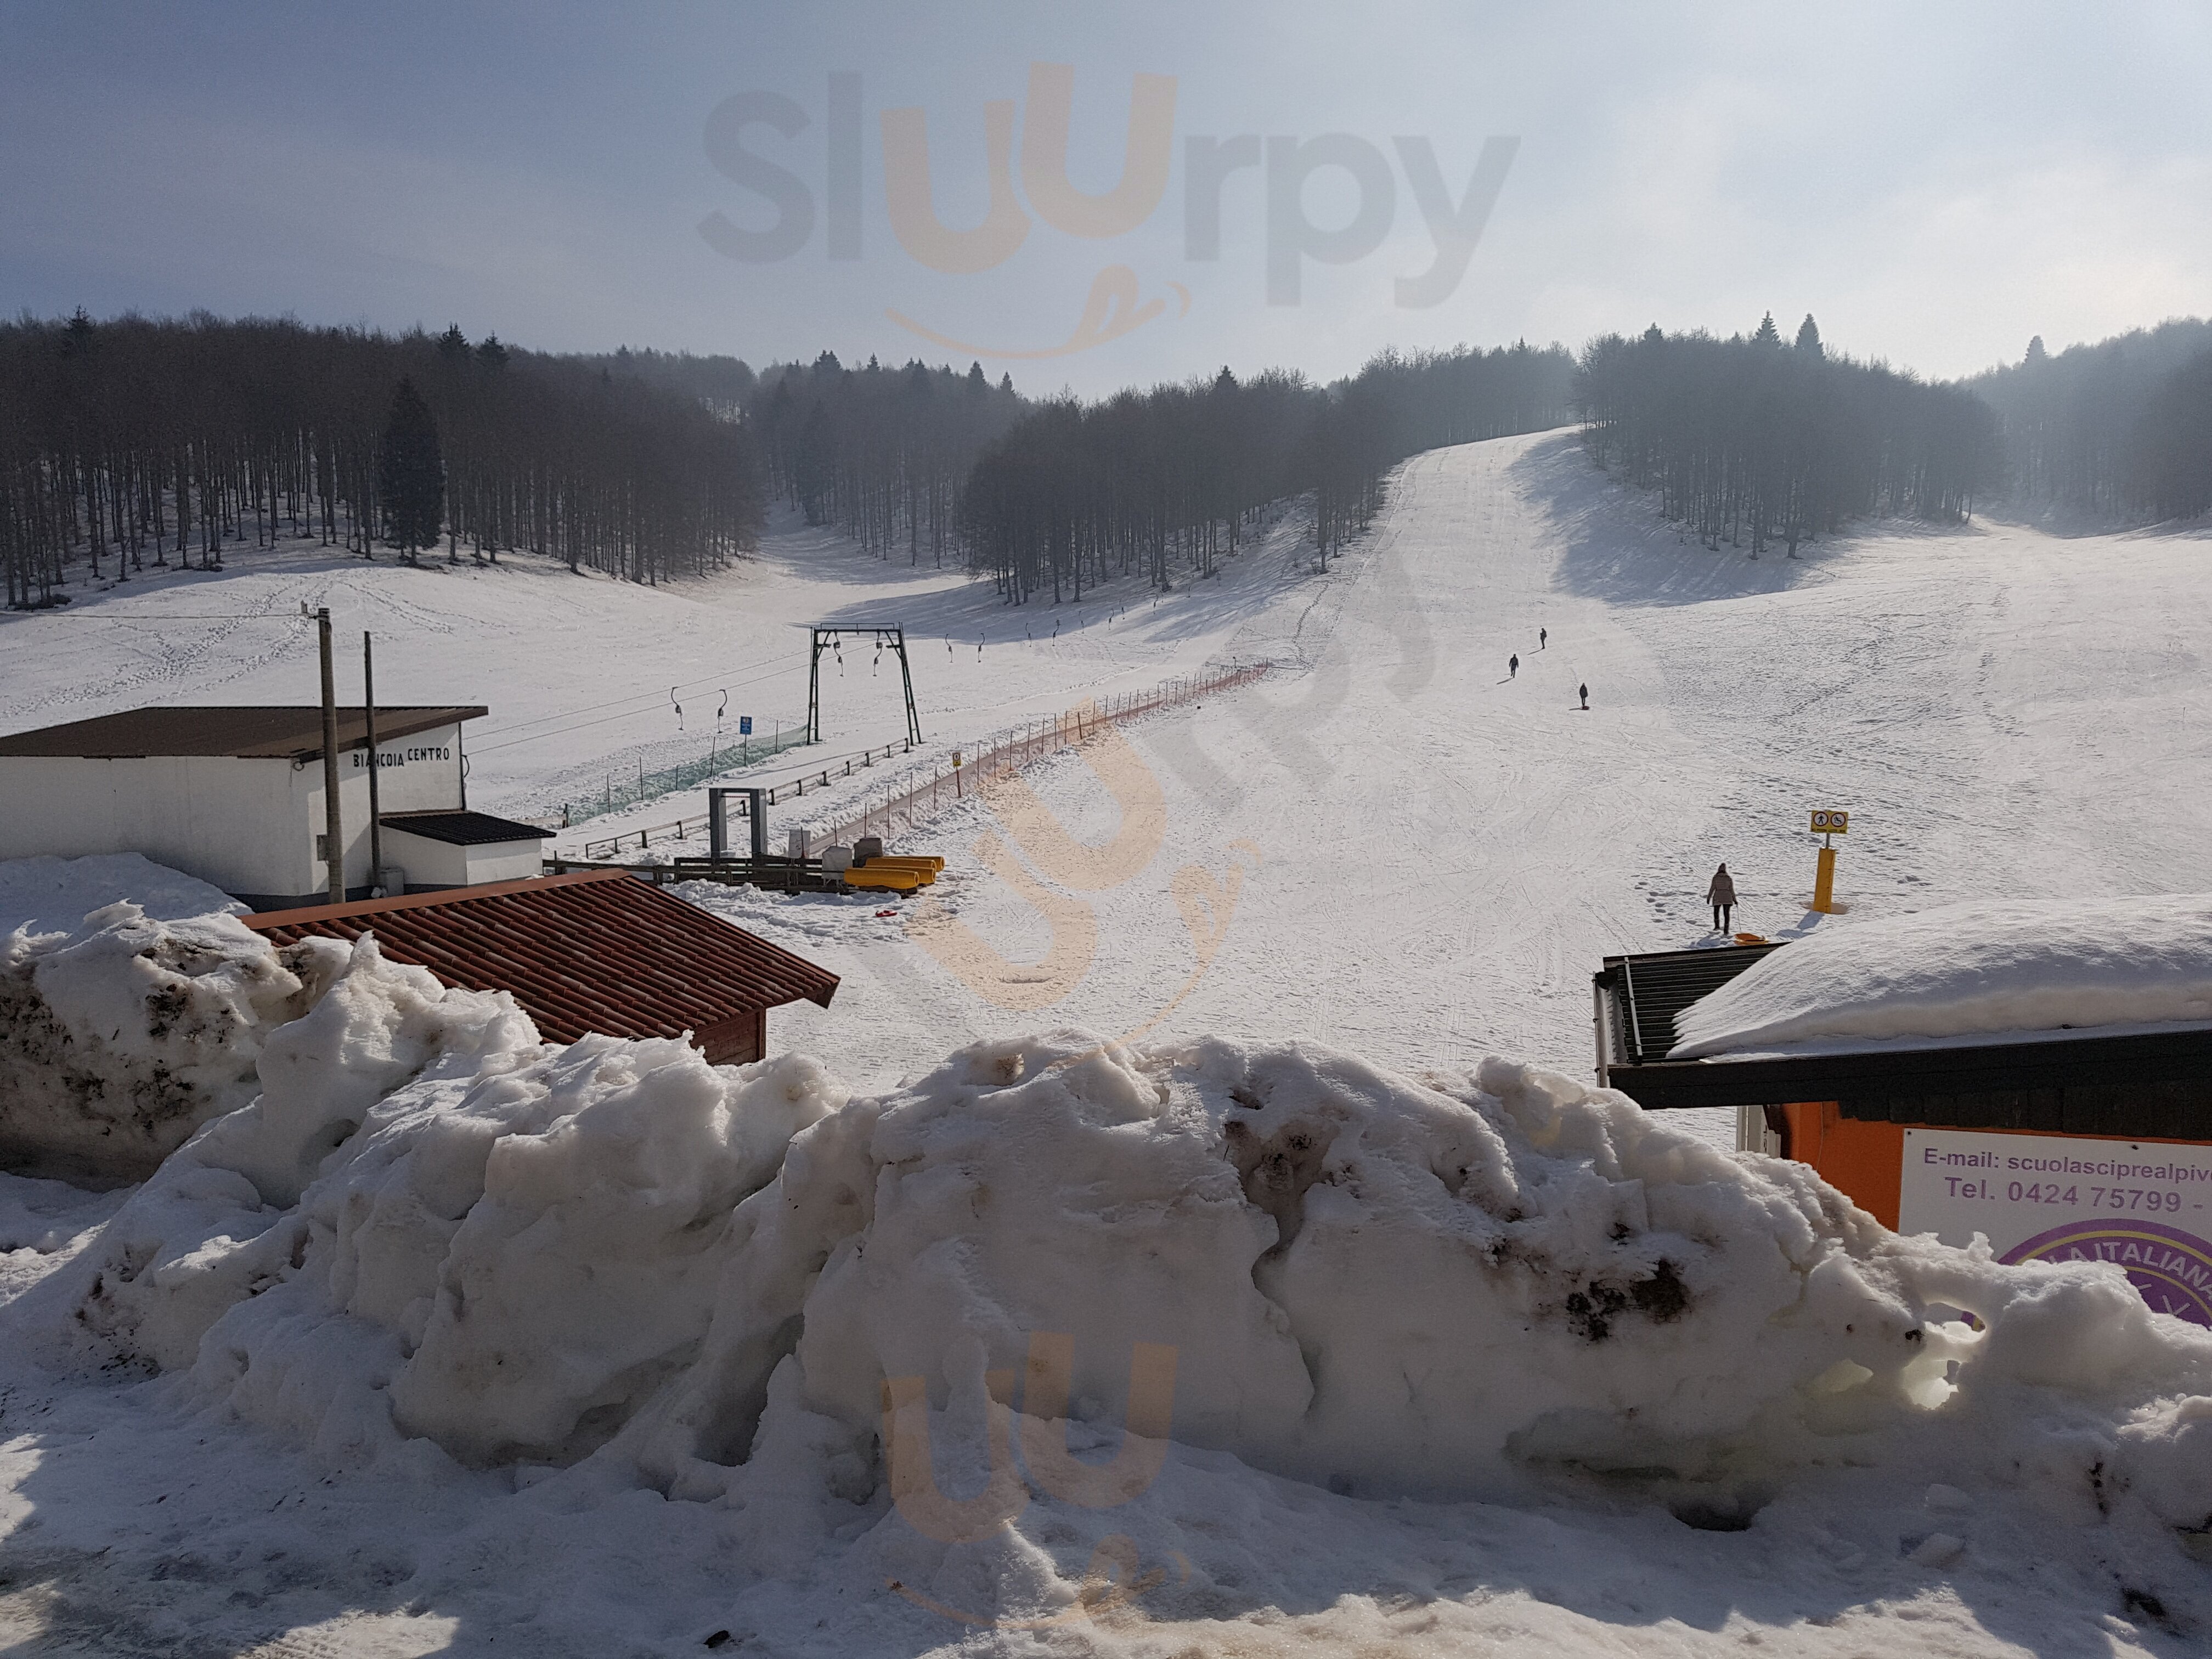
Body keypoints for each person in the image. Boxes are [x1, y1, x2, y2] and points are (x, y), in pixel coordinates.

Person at [1708, 863, 1736, 933]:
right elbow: (1731, 890)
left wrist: (1709, 898)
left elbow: (1712, 889)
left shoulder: (1715, 878)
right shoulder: (1729, 879)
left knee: (1716, 912)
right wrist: (1734, 899)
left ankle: (1717, 926)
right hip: (1728, 897)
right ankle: (1726, 930)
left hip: (1718, 896)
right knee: (1726, 914)